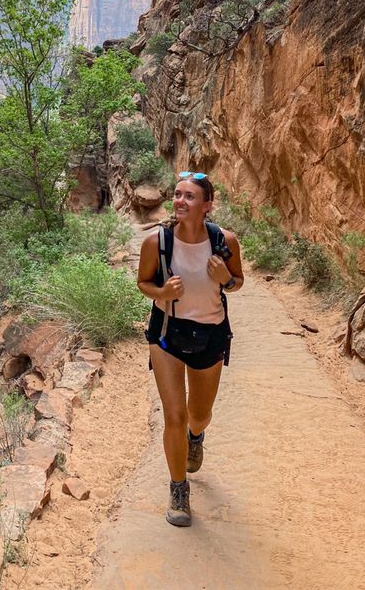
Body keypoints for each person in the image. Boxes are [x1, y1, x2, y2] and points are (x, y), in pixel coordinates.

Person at [137, 171, 244, 527]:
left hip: (211, 334)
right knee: (175, 416)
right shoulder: (158, 242)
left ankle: (196, 437)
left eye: (190, 197)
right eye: (177, 195)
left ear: (207, 205)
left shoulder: (224, 241)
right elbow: (143, 283)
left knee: (198, 415)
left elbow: (237, 281)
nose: (180, 201)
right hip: (166, 334)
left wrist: (224, 279)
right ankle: (179, 489)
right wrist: (162, 294)